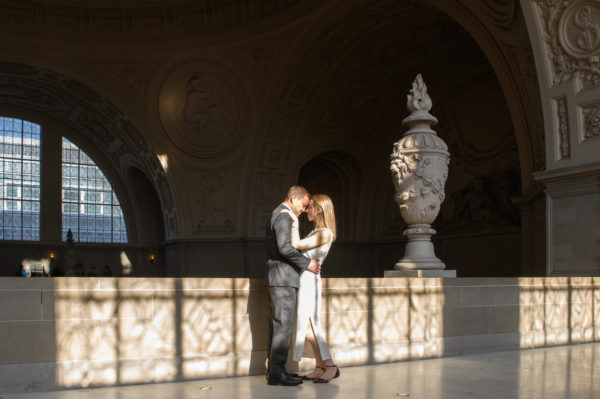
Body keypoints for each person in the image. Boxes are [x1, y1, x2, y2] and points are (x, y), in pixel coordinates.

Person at [265, 186, 321, 386]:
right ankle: (277, 372)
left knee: (277, 326)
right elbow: (284, 247)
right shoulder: (284, 216)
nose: (304, 210)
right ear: (293, 198)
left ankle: (274, 372)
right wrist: (308, 264)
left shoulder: (280, 214)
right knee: (282, 326)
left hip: (278, 277)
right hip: (283, 278)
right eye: (303, 205)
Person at [283, 194, 340, 383]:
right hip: (305, 279)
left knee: (309, 329)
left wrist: (293, 220)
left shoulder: (325, 232)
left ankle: (330, 366)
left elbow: (296, 244)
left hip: (310, 281)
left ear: (320, 209)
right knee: (308, 327)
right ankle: (319, 367)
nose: (307, 210)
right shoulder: (317, 232)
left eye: (310, 207)